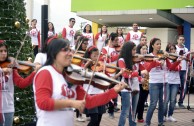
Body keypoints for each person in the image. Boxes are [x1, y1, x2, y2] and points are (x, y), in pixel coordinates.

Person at [33, 38, 127, 126]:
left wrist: (113, 91)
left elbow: (89, 101)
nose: (70, 54)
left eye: (70, 50)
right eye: (65, 50)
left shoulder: (71, 77)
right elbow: (43, 102)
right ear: (54, 53)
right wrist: (71, 103)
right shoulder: (45, 72)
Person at [0, 40, 39, 126]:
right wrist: (2, 70)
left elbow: (22, 83)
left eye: (5, 51)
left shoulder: (12, 68)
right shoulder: (5, 69)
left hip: (8, 109)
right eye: (1, 51)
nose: (3, 53)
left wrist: (34, 73)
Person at [144, 38, 179, 126]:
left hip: (164, 82)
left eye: (160, 44)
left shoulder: (163, 55)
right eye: (157, 44)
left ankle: (160, 122)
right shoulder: (150, 56)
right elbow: (147, 69)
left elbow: (170, 67)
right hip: (154, 82)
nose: (159, 45)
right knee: (153, 104)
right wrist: (158, 63)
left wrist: (178, 61)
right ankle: (147, 123)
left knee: (162, 104)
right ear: (152, 46)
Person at [118, 42, 144, 126]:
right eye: (133, 50)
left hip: (136, 87)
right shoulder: (122, 60)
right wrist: (136, 74)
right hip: (126, 88)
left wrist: (141, 78)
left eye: (135, 50)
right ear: (128, 50)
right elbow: (125, 74)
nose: (135, 52)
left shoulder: (136, 60)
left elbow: (139, 73)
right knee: (125, 111)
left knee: (133, 111)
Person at [101, 32, 120, 118]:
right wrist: (119, 55)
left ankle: (112, 109)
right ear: (111, 40)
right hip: (108, 73)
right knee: (109, 92)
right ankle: (110, 109)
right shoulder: (105, 49)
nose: (117, 42)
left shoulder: (118, 49)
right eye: (115, 40)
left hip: (116, 72)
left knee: (115, 92)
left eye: (118, 40)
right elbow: (108, 60)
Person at [163, 43, 182, 122]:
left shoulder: (178, 58)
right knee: (166, 100)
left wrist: (177, 61)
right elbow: (171, 67)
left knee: (173, 100)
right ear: (168, 50)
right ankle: (164, 116)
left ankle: (170, 115)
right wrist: (175, 61)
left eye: (173, 49)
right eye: (170, 49)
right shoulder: (165, 59)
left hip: (176, 81)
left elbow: (178, 68)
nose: (172, 50)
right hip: (167, 81)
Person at [136, 44, 149, 123]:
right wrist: (141, 73)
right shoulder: (137, 59)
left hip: (146, 82)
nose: (145, 50)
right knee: (138, 100)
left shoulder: (148, 59)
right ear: (139, 50)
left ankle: (140, 117)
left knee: (143, 101)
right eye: (143, 49)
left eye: (146, 49)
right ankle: (133, 116)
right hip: (138, 82)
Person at [175, 35, 189, 107]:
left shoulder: (186, 49)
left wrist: (185, 58)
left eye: (183, 40)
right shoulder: (174, 48)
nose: (181, 41)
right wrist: (179, 56)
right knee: (175, 86)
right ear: (177, 40)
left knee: (184, 86)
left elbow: (188, 60)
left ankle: (181, 102)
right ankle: (173, 101)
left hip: (184, 69)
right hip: (176, 69)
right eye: (180, 39)